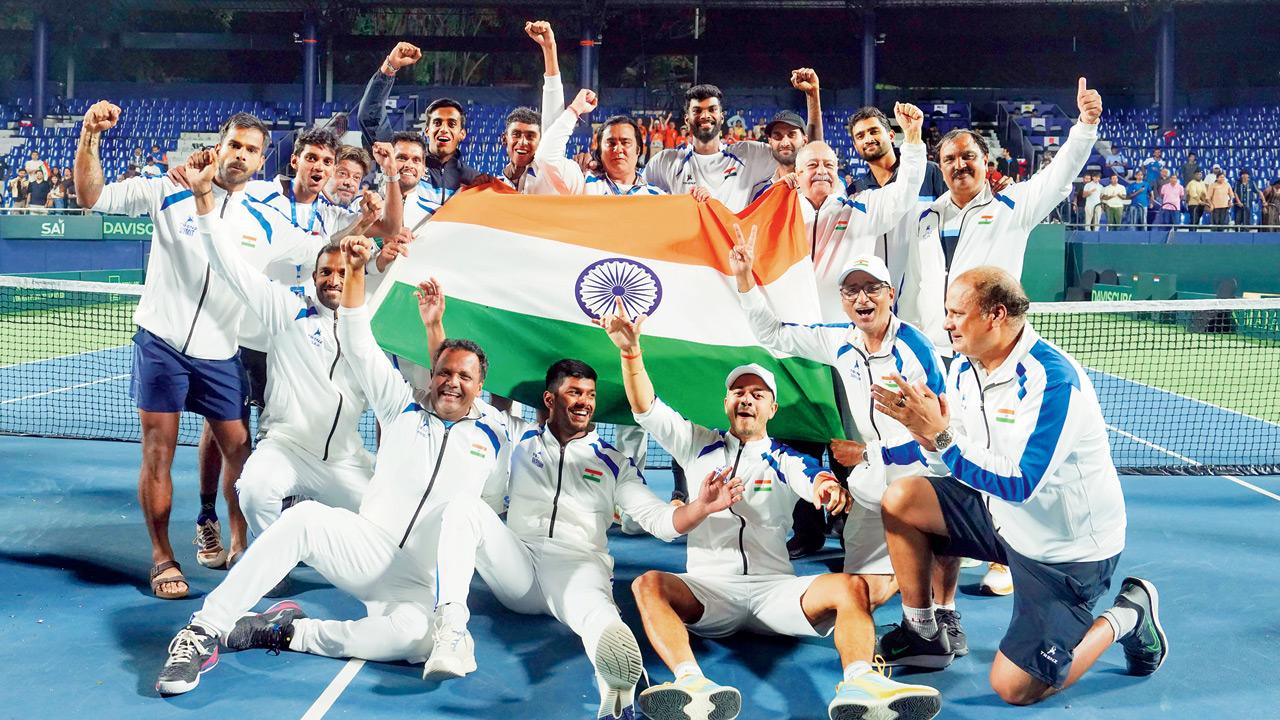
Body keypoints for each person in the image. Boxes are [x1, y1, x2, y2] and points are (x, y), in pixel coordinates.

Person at [154, 234, 509, 696]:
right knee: (302, 519)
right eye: (444, 374)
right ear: (431, 374)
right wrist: (358, 270)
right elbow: (359, 342)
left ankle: (286, 631)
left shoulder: (495, 434)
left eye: (465, 377)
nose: (452, 383)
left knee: (414, 642)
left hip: (421, 583)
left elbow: (490, 511)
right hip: (371, 550)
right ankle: (204, 630)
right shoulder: (400, 404)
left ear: (481, 385)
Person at [596, 304, 940, 720]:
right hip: (709, 591)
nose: (747, 399)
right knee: (648, 583)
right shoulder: (694, 442)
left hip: (775, 592)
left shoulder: (783, 457)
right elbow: (645, 408)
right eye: (739, 392)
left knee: (849, 586)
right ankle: (692, 684)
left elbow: (812, 478)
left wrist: (828, 488)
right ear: (726, 402)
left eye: (758, 395)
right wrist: (630, 352)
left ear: (771, 409)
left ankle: (861, 682)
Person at [870, 266, 1167, 705]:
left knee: (1016, 688)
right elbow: (956, 461)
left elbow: (1020, 483)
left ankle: (1128, 615)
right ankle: (924, 633)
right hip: (1003, 520)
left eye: (957, 313)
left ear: (996, 315)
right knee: (903, 498)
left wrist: (941, 436)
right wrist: (927, 438)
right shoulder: (964, 369)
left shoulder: (1052, 381)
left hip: (1064, 554)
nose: (947, 323)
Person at [425, 340, 745, 718]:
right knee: (464, 506)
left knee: (601, 621)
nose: (585, 402)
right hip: (519, 565)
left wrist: (701, 507)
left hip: (577, 567)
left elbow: (660, 522)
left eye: (590, 395)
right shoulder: (517, 436)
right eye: (574, 393)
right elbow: (460, 390)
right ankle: (452, 632)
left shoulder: (613, 462)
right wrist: (433, 329)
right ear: (550, 399)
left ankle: (618, 694)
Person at [75, 102, 303, 598]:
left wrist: (370, 232)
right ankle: (162, 557)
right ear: (218, 148)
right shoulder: (167, 189)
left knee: (239, 450)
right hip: (162, 342)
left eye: (251, 150)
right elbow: (91, 196)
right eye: (234, 145)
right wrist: (90, 135)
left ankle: (241, 544)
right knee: (158, 449)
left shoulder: (266, 222)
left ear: (261, 161)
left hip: (221, 352)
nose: (240, 155)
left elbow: (326, 246)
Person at [731, 224, 965, 656]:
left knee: (939, 540)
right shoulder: (839, 340)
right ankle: (902, 585)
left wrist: (868, 451)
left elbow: (939, 433)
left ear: (890, 294)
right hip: (871, 476)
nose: (862, 298)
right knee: (857, 584)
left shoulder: (916, 349)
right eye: (852, 290)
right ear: (842, 299)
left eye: (872, 288)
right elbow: (773, 333)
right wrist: (745, 278)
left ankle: (945, 613)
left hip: (919, 472)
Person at [184, 150, 374, 542]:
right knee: (224, 433)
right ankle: (209, 517)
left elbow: (339, 251)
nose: (320, 168)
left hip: (291, 342)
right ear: (295, 160)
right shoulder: (258, 194)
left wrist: (369, 217)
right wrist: (196, 185)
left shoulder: (333, 217)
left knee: (275, 432)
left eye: (328, 162)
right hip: (245, 337)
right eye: (313, 159)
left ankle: (275, 523)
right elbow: (224, 203)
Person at [903, 77, 1102, 360]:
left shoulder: (1013, 205)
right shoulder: (926, 218)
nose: (959, 165)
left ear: (985, 161)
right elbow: (914, 285)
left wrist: (1085, 126)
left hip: (989, 355)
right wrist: (911, 344)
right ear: (940, 167)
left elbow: (1059, 176)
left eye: (968, 156)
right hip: (932, 354)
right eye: (949, 159)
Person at [357, 41, 485, 215]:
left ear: (462, 134)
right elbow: (369, 116)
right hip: (395, 232)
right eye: (437, 123)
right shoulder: (399, 156)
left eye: (451, 124)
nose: (444, 129)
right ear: (427, 130)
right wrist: (390, 67)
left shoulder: (474, 180)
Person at [642, 84, 778, 212]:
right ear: (686, 119)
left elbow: (789, 159)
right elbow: (635, 192)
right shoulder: (666, 161)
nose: (705, 116)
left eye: (712, 109)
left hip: (731, 230)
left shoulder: (747, 155)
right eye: (697, 111)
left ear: (722, 117)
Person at [748, 68, 827, 202]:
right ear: (770, 142)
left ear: (805, 140)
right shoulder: (760, 193)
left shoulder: (821, 183)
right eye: (777, 136)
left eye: (791, 135)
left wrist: (813, 94)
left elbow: (817, 146)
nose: (785, 142)